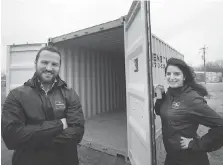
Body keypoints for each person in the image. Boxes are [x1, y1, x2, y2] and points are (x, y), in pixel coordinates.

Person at [1, 45, 85, 165]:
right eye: (44, 62)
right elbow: (12, 138)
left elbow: (77, 132)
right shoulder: (16, 95)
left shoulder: (69, 94)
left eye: (54, 64)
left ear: (59, 66)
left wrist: (31, 136)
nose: (49, 68)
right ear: (35, 63)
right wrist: (61, 124)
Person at [154, 58, 223, 165]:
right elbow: (160, 112)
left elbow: (220, 126)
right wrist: (160, 97)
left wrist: (195, 144)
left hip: (189, 159)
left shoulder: (192, 100)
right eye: (168, 74)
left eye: (176, 74)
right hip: (172, 157)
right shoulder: (169, 94)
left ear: (184, 77)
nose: (171, 77)